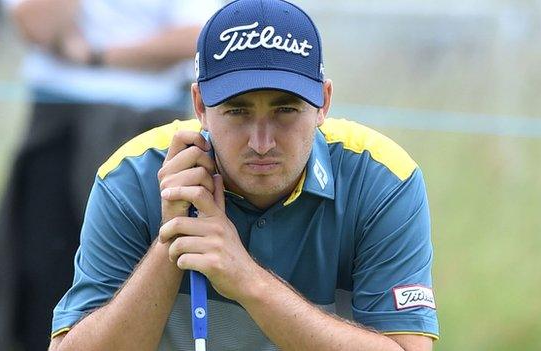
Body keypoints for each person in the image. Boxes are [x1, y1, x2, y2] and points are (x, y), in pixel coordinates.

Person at [49, 0, 440, 350]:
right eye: (237, 111)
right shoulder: (132, 176)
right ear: (200, 104)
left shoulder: (384, 179)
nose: (262, 142)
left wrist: (247, 278)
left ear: (324, 102)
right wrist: (170, 245)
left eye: (285, 110)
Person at [0, 1, 220, 351]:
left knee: (142, 279)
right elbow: (36, 23)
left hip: (147, 124)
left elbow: (198, 37)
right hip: (59, 120)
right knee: (42, 280)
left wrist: (97, 57)